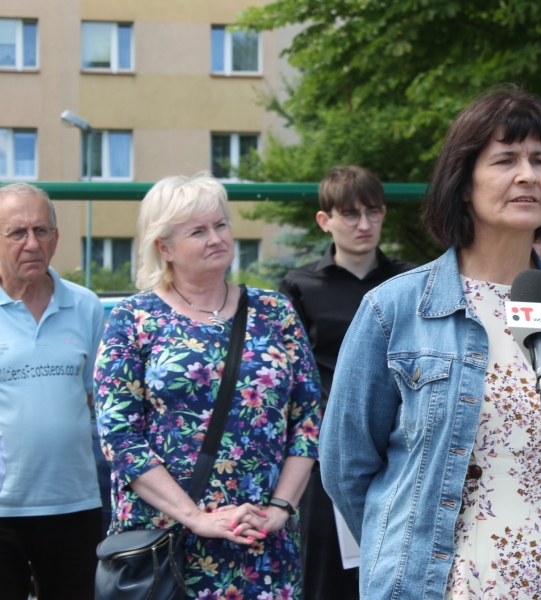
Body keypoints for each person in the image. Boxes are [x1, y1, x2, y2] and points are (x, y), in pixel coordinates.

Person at [319, 86, 541, 599]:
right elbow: (346, 466)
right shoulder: (395, 309)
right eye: (505, 159)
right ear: (463, 183)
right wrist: (400, 552)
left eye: (540, 160)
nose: (528, 175)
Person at [94, 174, 322, 599]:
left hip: (261, 540)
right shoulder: (134, 318)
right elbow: (119, 435)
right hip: (167, 544)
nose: (216, 238)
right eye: (198, 231)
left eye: (221, 225)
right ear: (164, 247)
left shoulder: (275, 312)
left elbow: (308, 419)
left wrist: (280, 507)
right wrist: (195, 517)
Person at [279, 165, 415, 599]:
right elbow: (291, 379)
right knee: (326, 578)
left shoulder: (410, 282)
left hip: (402, 447)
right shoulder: (299, 286)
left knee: (400, 569)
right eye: (350, 214)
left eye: (373, 212)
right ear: (325, 220)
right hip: (329, 454)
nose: (364, 224)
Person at [0, 182, 104, 600]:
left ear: (56, 238)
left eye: (41, 231)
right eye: (16, 232)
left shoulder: (86, 306)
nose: (32, 243)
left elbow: (95, 398)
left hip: (74, 502)